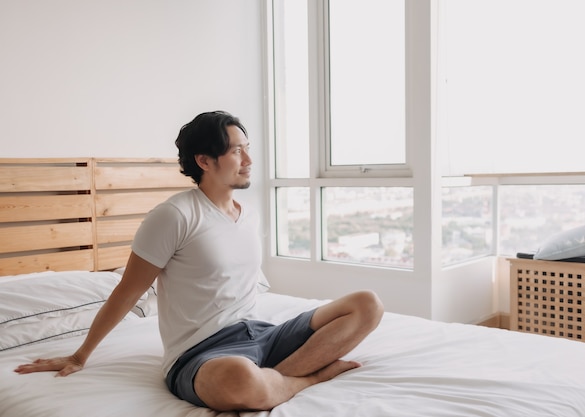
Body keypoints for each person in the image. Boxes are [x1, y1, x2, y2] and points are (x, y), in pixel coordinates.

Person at [14, 110, 384, 411]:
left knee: (367, 305)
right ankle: (308, 378)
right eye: (237, 151)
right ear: (205, 160)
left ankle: (275, 380)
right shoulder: (173, 216)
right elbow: (127, 293)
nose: (249, 160)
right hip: (203, 352)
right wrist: (80, 356)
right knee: (239, 380)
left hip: (259, 335)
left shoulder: (248, 214)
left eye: (247, 148)